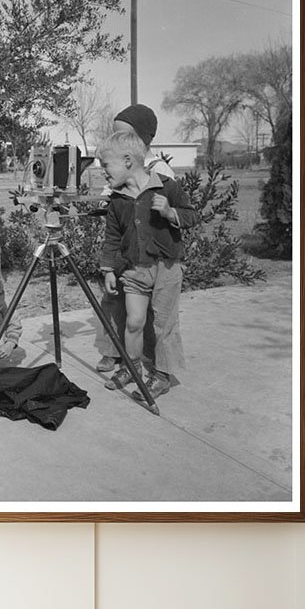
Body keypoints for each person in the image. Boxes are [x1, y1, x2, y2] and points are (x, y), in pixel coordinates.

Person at [97, 130, 198, 400]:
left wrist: (169, 212)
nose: (103, 172)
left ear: (128, 160)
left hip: (167, 268)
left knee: (163, 325)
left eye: (106, 166)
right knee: (134, 322)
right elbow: (112, 237)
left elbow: (191, 216)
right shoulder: (117, 200)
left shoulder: (167, 186)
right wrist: (108, 269)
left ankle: (162, 375)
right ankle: (132, 366)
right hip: (134, 270)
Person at [94, 104, 176, 373]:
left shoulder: (159, 171)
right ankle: (113, 351)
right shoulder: (119, 166)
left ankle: (147, 359)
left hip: (147, 253)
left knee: (143, 313)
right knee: (112, 299)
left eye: (122, 135)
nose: (115, 140)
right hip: (124, 246)